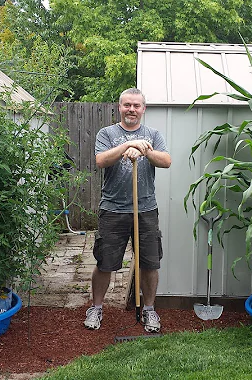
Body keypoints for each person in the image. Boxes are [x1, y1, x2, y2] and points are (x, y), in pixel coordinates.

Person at [84, 87, 172, 333]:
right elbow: (101, 160)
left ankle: (149, 310)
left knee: (149, 263)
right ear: (119, 107)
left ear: (143, 109)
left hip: (145, 209)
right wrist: (127, 145)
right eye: (127, 105)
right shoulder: (107, 133)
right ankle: (96, 307)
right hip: (113, 210)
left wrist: (145, 150)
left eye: (136, 105)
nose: (131, 109)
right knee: (105, 262)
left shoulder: (153, 134)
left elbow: (166, 161)